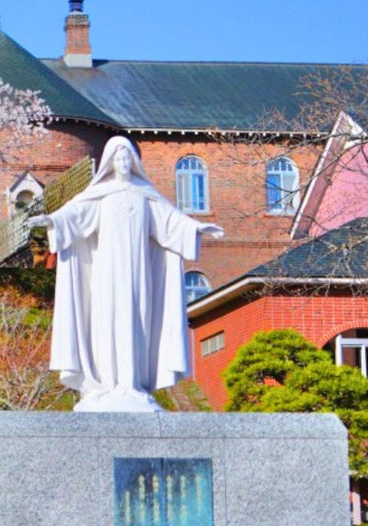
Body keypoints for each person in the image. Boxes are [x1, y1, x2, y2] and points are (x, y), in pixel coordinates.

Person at [28, 136, 223, 412]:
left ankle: (133, 385)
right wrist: (51, 220)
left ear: (134, 162)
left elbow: (170, 222)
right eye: (118, 159)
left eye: (127, 158)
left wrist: (198, 229)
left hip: (139, 273)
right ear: (110, 162)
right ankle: (107, 385)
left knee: (139, 323)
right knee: (106, 323)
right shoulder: (101, 194)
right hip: (106, 273)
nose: (122, 163)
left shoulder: (146, 195)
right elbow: (74, 216)